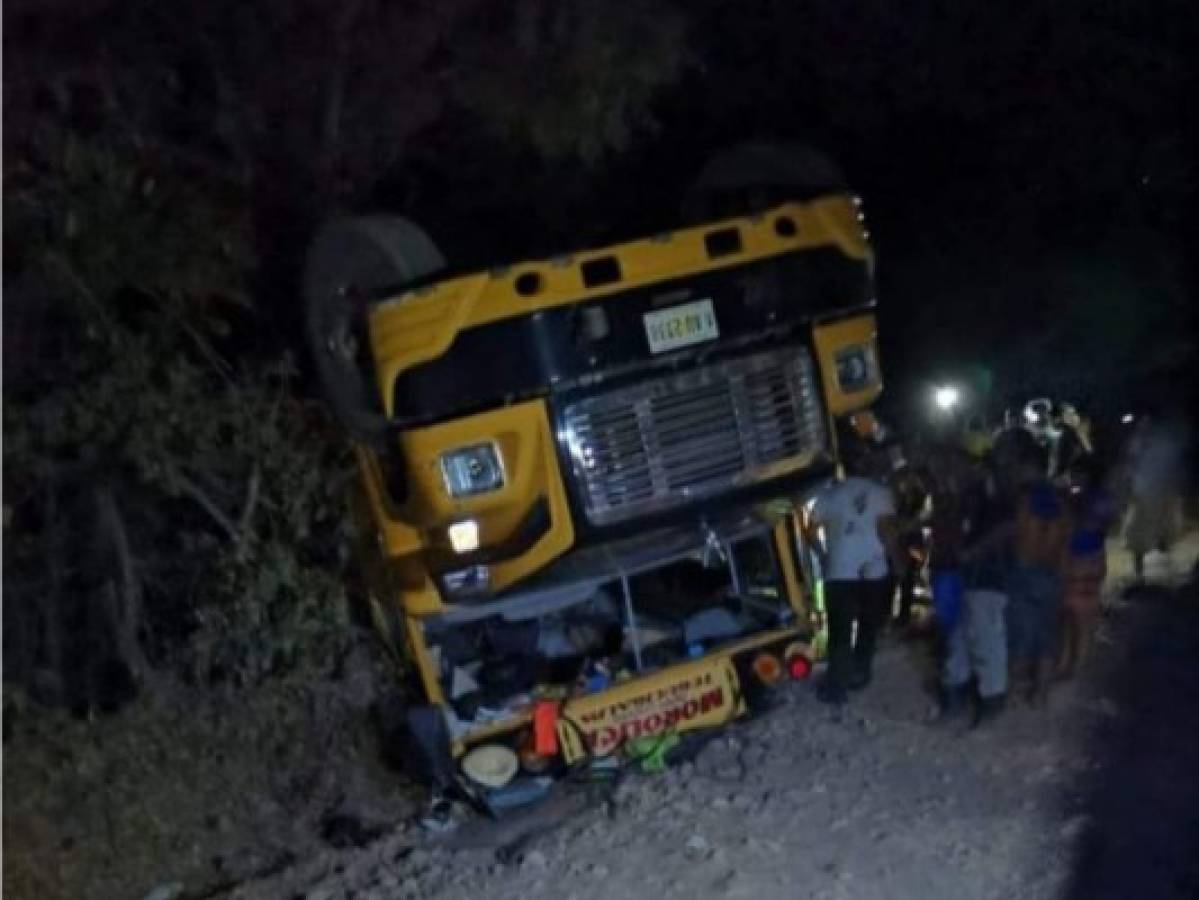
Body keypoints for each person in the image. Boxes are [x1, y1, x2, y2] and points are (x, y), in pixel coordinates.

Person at [935, 430, 1028, 727]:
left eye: (950, 465)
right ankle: (958, 701)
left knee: (986, 643)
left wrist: (973, 551)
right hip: (972, 577)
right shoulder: (973, 492)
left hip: (988, 575)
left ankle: (990, 705)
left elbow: (1008, 526)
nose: (945, 472)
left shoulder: (990, 489)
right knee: (960, 642)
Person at [810, 445, 905, 706]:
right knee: (868, 624)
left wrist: (822, 554)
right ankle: (861, 674)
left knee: (840, 629)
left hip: (839, 570)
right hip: (873, 569)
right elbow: (887, 530)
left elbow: (809, 528)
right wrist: (897, 561)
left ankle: (836, 685)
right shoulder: (882, 493)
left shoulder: (828, 495)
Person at [1008, 448, 1070, 707]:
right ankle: (1040, 693)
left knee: (1020, 630)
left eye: (1021, 467)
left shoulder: (1024, 498)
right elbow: (1066, 537)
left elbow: (1019, 533)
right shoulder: (1060, 500)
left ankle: (1011, 688)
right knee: (1046, 633)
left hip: (1025, 569)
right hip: (1051, 570)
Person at [1058, 459, 1113, 678]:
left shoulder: (1096, 500)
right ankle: (1068, 663)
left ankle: (1075, 666)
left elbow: (1092, 526)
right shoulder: (1086, 498)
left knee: (1079, 617)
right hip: (1079, 560)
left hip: (1086, 560)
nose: (1073, 480)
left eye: (1077, 475)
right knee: (1070, 615)